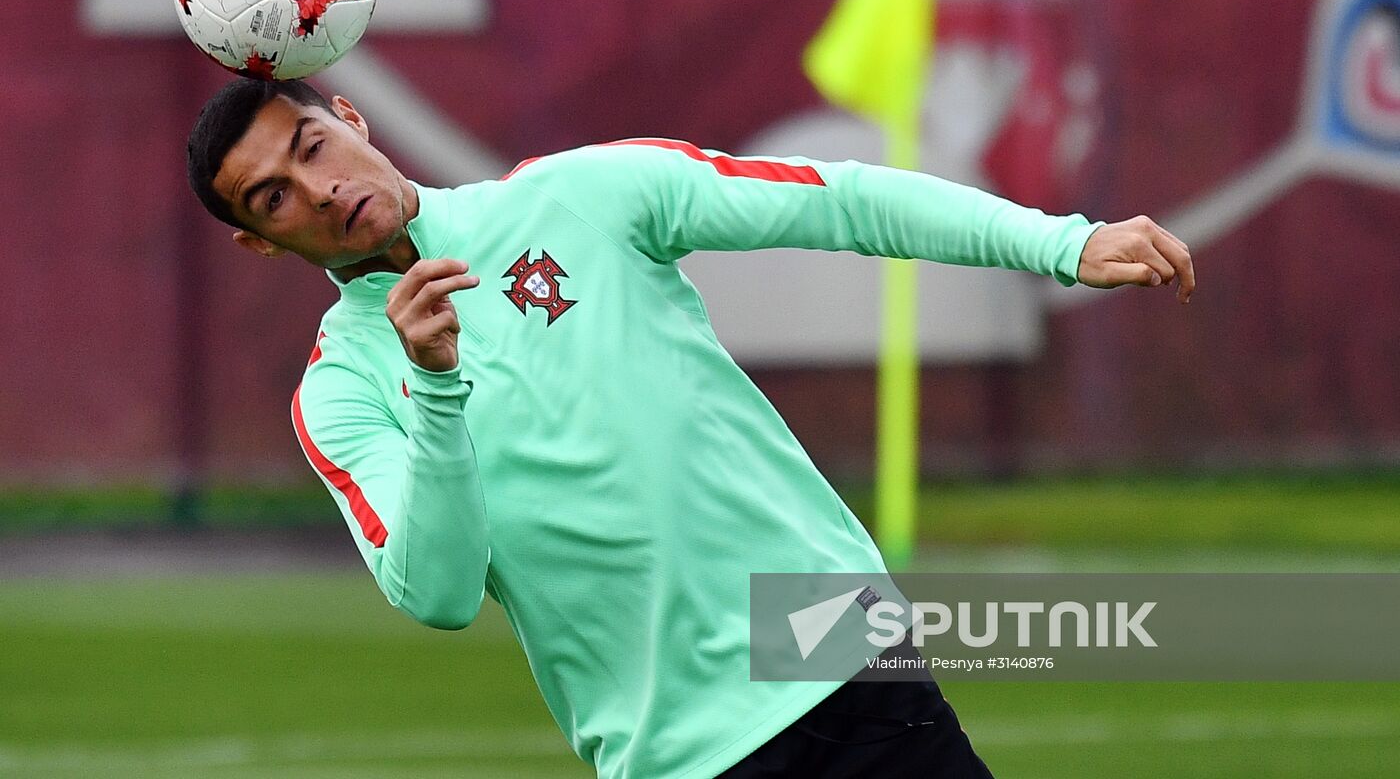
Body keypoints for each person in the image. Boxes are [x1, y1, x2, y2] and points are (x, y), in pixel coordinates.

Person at [185, 77, 1194, 779]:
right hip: (672, 753)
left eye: (313, 145)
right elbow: (439, 593)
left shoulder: (579, 194)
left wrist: (1063, 243)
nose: (319, 189)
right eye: (275, 194)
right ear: (257, 239)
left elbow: (838, 202)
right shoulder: (343, 388)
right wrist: (435, 385)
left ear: (351, 118)